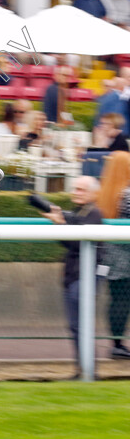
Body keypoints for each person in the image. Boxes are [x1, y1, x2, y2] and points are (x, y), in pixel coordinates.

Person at [40, 176, 103, 375]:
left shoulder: (94, 214)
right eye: (75, 189)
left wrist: (60, 225)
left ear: (94, 194)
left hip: (83, 278)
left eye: (81, 189)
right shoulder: (80, 213)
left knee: (81, 326)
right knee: (76, 326)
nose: (76, 192)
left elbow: (77, 243)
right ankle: (83, 369)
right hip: (73, 277)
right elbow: (70, 243)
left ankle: (88, 370)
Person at [96, 151, 130, 359]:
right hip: (125, 256)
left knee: (117, 299)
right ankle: (117, 345)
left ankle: (116, 342)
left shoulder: (105, 193)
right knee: (123, 301)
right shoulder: (126, 194)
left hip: (110, 255)